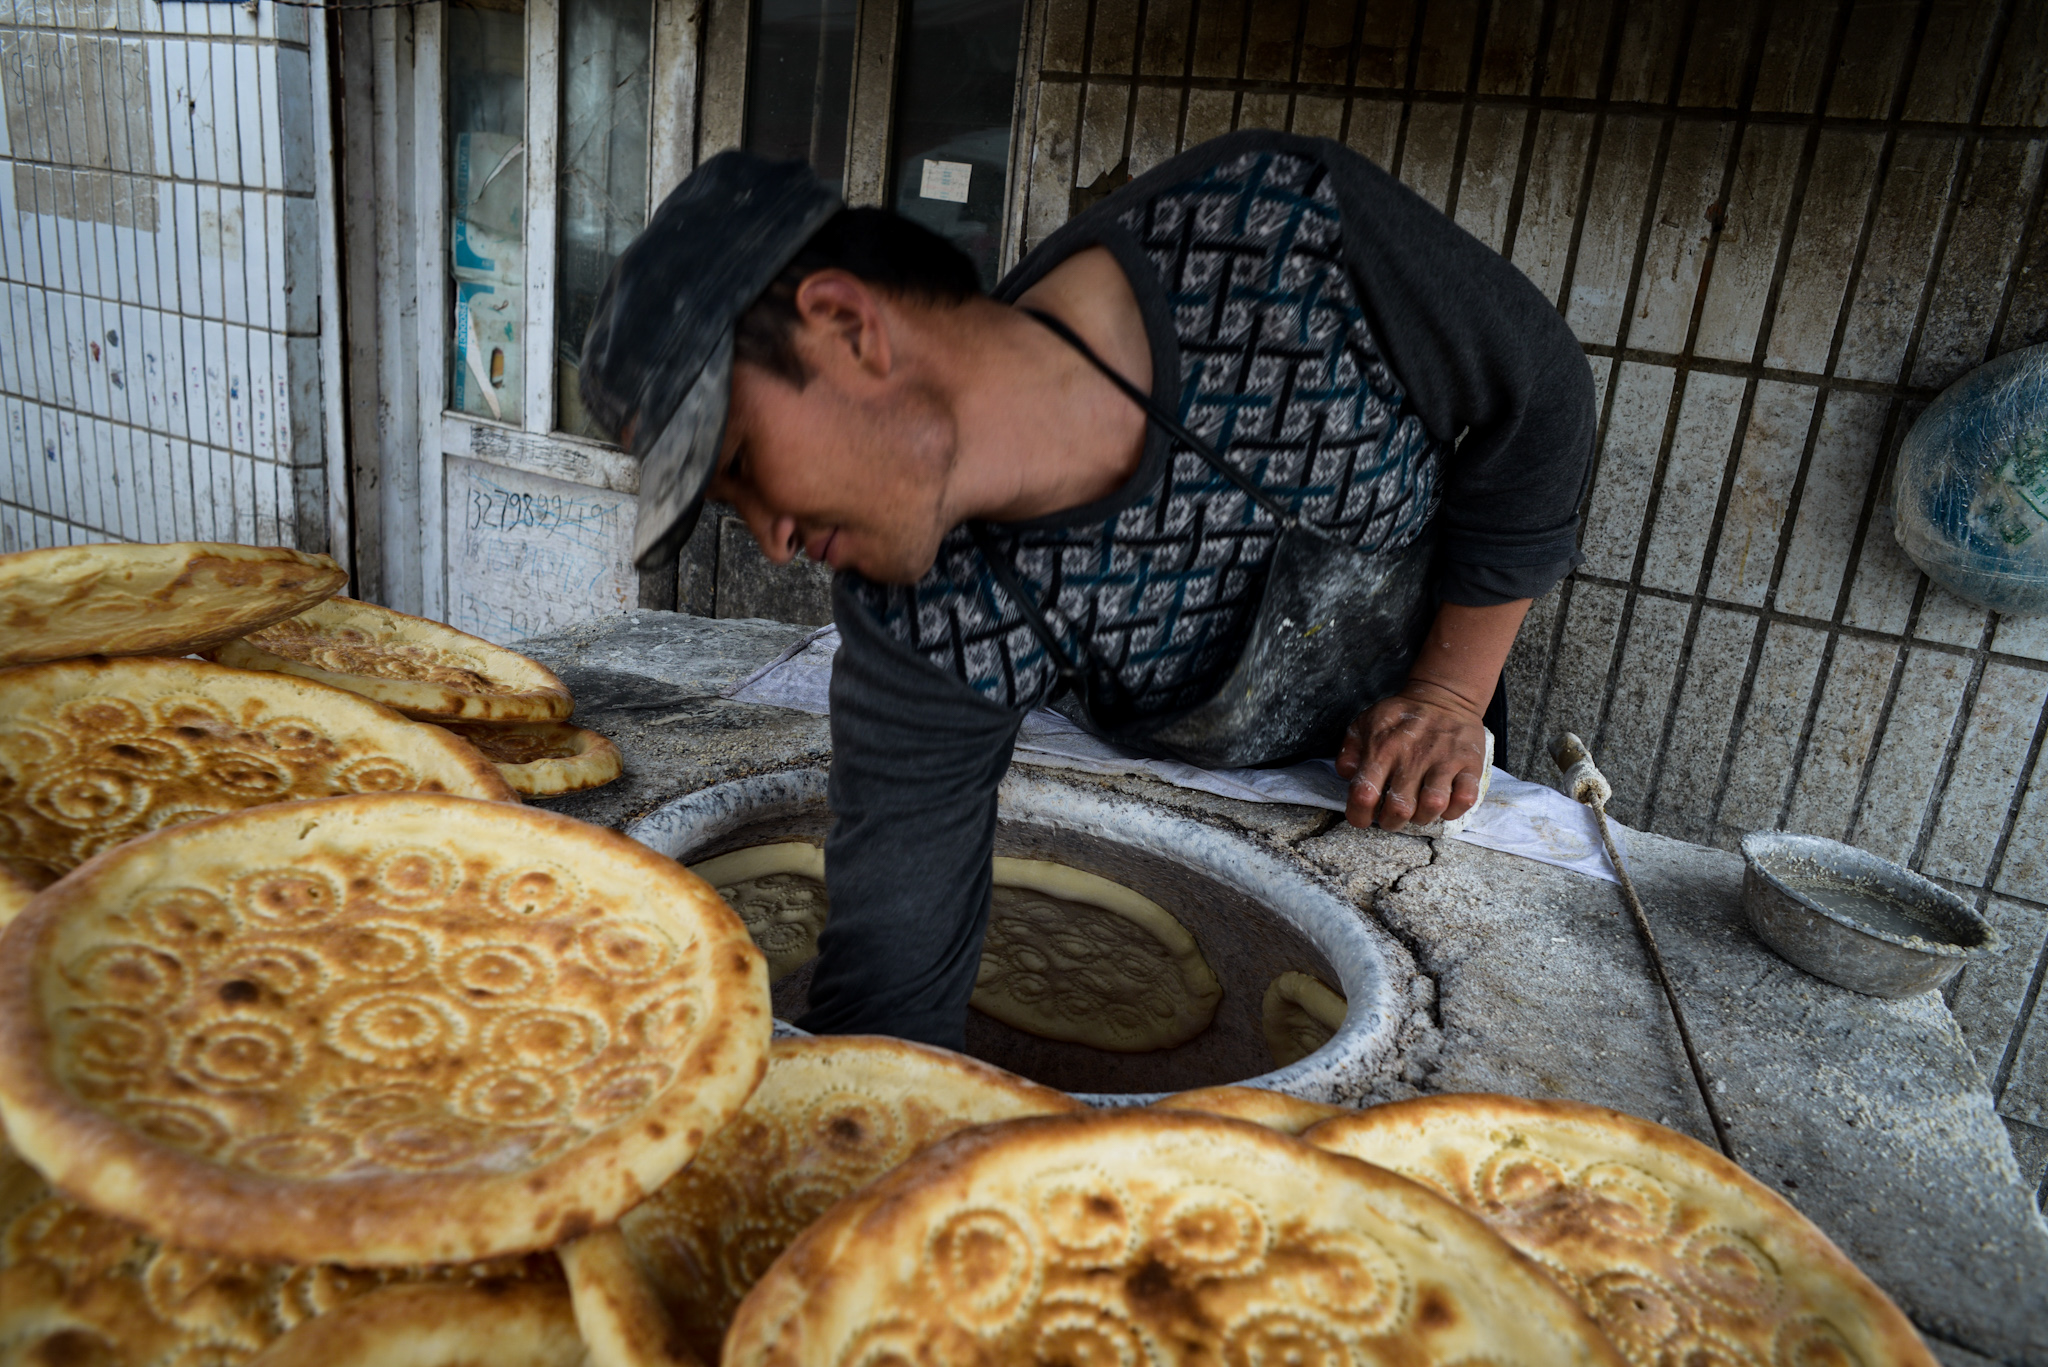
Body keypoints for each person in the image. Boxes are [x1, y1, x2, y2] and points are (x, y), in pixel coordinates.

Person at [580, 130, 1594, 1049]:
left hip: (1411, 781)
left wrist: (1450, 695)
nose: (772, 542)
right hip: (1203, 793)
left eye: (747, 464)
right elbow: (897, 956)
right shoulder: (922, 610)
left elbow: (1535, 392)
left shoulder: (1275, 236)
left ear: (845, 325)